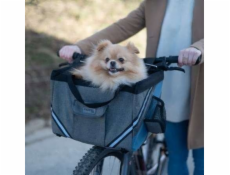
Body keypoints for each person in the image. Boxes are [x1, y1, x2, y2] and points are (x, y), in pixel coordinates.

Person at [59, 0, 204, 174]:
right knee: (176, 155)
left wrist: (199, 48)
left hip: (204, 90)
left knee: (204, 160)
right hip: (170, 88)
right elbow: (122, 27)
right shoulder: (154, 3)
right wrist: (79, 46)